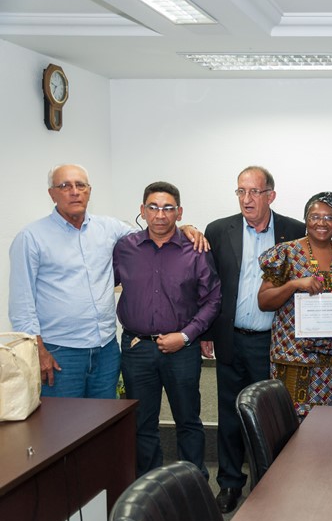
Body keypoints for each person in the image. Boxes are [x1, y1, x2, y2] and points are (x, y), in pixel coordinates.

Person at [8, 164, 205, 399]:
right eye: (64, 186)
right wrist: (37, 351)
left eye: (80, 185)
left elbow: (155, 233)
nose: (74, 191)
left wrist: (185, 228)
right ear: (52, 193)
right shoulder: (31, 238)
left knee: (103, 423)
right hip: (60, 352)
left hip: (106, 350)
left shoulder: (110, 229)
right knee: (63, 428)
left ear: (89, 191)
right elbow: (22, 304)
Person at [201, 165, 304, 513]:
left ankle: (269, 483)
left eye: (254, 192)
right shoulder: (218, 230)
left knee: (269, 415)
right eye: (241, 191)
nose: (247, 199)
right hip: (231, 337)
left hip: (274, 342)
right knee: (229, 414)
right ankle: (229, 483)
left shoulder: (293, 231)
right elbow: (209, 285)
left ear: (270, 195)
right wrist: (208, 332)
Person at [114, 182, 221, 478]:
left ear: (179, 212)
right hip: (137, 348)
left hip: (182, 349)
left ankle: (193, 483)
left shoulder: (196, 249)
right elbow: (101, 284)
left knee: (188, 420)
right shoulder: (125, 248)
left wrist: (187, 335)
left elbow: (212, 298)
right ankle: (149, 487)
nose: (160, 214)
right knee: (142, 424)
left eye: (168, 208)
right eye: (153, 207)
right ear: (142, 211)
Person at [258, 192, 332, 418]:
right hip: (293, 358)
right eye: (314, 216)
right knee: (290, 424)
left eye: (329, 217)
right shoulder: (285, 253)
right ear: (305, 219)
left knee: (331, 424)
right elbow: (264, 301)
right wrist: (293, 285)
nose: (321, 222)